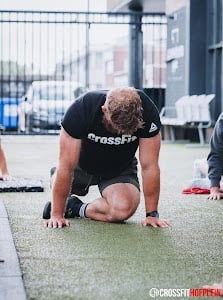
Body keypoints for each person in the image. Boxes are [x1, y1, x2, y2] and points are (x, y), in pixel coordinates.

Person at [43, 87, 170, 229]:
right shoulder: (82, 109)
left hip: (119, 168)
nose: (120, 132)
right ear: (104, 110)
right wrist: (56, 214)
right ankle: (58, 187)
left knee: (123, 209)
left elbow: (149, 166)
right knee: (61, 173)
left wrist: (152, 215)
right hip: (81, 164)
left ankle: (75, 207)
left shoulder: (148, 112)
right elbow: (66, 167)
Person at [207, 112, 223, 200]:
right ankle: (199, 166)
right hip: (219, 166)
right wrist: (214, 188)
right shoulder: (222, 120)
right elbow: (216, 154)